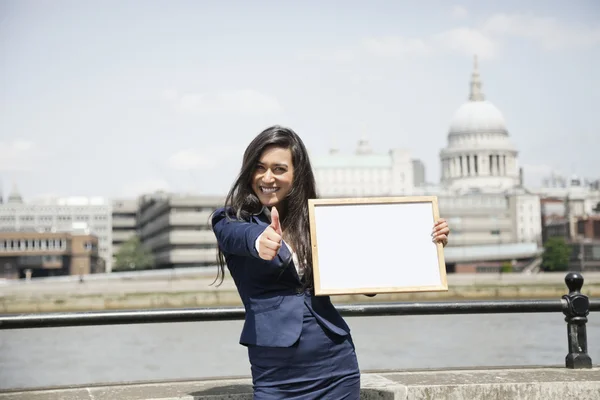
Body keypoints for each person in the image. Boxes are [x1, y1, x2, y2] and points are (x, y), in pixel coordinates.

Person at [211, 125, 450, 399]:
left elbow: (369, 277)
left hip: (336, 363)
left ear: (296, 174)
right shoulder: (230, 220)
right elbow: (239, 237)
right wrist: (259, 241)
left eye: (279, 169)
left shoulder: (319, 220)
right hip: (275, 373)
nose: (268, 177)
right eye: (259, 167)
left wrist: (427, 239)